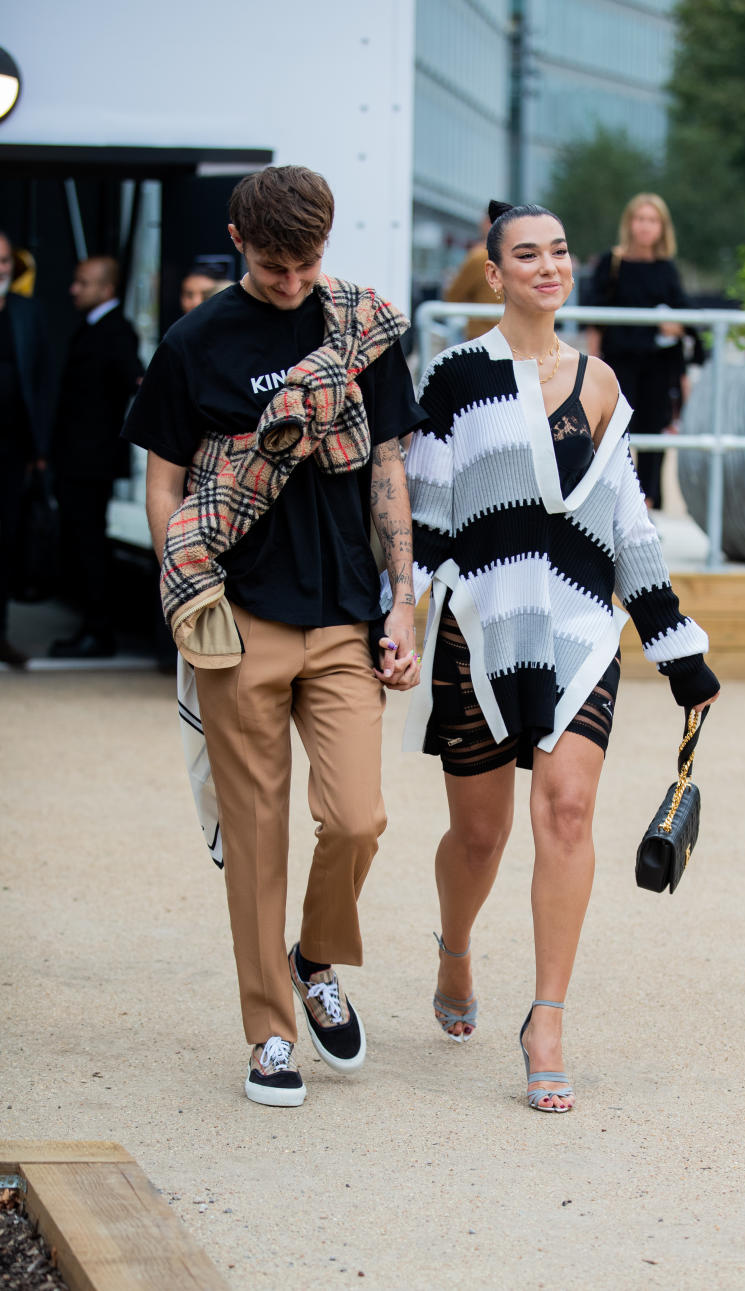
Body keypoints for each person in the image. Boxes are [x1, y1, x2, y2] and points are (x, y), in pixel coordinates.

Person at [399, 199, 719, 1112]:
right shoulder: (458, 376)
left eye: (561, 252)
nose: (550, 266)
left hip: (580, 627)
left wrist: (677, 647)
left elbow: (627, 522)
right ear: (494, 274)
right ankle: (456, 948)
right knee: (480, 834)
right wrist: (399, 616)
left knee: (569, 812)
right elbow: (424, 512)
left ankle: (547, 1017)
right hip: (482, 622)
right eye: (527, 255)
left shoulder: (603, 381)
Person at [122, 165, 424, 1108]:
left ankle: (317, 955)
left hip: (341, 614)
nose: (294, 280)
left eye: (309, 262)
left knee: (360, 818)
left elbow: (385, 467)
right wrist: (184, 585)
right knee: (256, 838)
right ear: (237, 239)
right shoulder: (194, 342)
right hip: (241, 618)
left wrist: (403, 596)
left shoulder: (357, 328)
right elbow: (166, 479)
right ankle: (268, 1034)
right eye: (276, 263)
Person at [48, 256, 143, 658]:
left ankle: (98, 629)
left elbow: (137, 381)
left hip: (92, 461)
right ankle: (91, 625)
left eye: (82, 283)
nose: (74, 289)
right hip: (76, 459)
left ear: (106, 289)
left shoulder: (116, 331)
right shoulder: (93, 328)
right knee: (80, 541)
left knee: (89, 544)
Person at [585, 193, 690, 510]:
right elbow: (595, 318)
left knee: (653, 432)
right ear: (629, 223)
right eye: (640, 219)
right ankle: (614, 499)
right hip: (618, 363)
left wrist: (676, 325)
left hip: (657, 365)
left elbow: (685, 314)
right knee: (614, 432)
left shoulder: (666, 269)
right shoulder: (612, 263)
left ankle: (645, 503)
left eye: (652, 220)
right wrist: (594, 364)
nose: (645, 226)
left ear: (662, 227)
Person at [0, 230, 50, 666]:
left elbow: (40, 381)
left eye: (3, 262)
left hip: (12, 453)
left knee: (6, 541)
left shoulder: (27, 312)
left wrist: (39, 450)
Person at [443, 215, 501, 340]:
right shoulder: (521, 256)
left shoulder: (479, 256)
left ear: (487, 223)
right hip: (516, 337)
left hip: (482, 335)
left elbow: (453, 295)